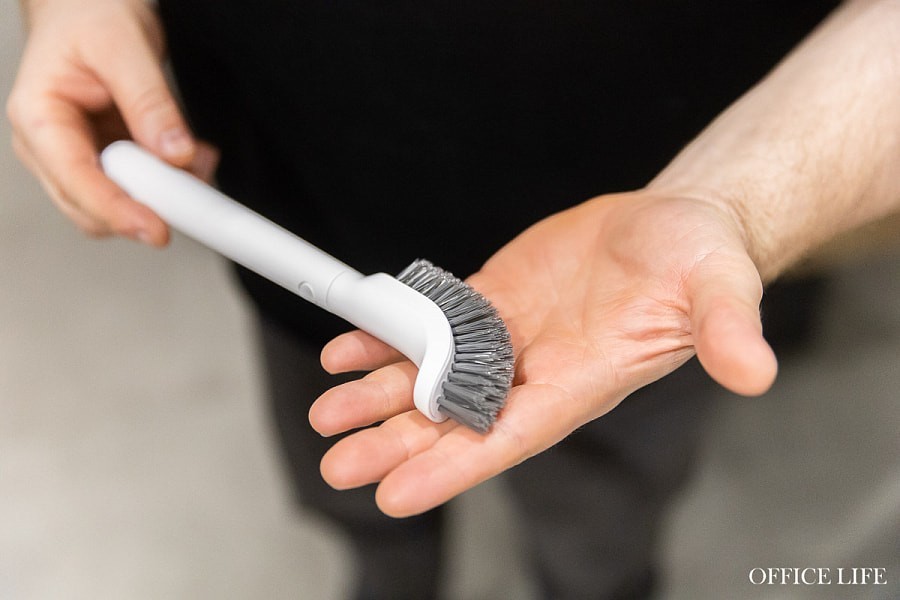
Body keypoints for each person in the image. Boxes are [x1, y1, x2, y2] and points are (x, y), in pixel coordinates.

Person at [7, 0, 899, 598]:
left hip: (642, 234)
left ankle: (599, 582)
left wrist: (736, 201)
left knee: (603, 501)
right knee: (350, 459)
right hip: (293, 171)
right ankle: (387, 571)